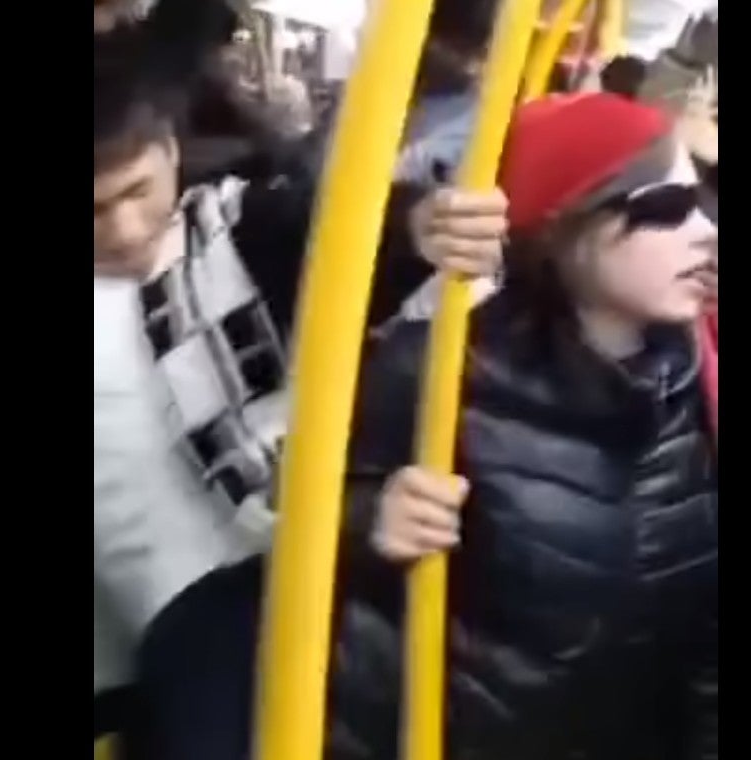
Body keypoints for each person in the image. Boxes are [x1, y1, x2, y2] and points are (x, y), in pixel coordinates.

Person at [134, 93, 718, 760]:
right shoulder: (438, 371)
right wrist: (372, 519)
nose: (704, 230)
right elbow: (309, 509)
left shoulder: (697, 375)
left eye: (700, 201)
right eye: (665, 208)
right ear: (561, 226)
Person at [93, 23, 507, 746]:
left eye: (137, 191)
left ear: (171, 151)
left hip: (275, 573)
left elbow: (330, 239)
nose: (125, 230)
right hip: (136, 633)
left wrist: (419, 226)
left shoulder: (229, 232)